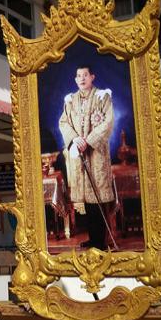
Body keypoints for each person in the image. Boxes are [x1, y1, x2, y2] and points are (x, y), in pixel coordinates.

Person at [58, 65, 117, 249]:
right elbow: (63, 122)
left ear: (92, 77)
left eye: (85, 75)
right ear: (75, 79)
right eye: (78, 76)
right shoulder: (70, 100)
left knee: (98, 198)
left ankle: (101, 242)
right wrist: (75, 139)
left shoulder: (102, 97)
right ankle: (93, 239)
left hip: (96, 154)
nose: (82, 78)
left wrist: (89, 141)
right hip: (79, 154)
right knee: (87, 201)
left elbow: (108, 122)